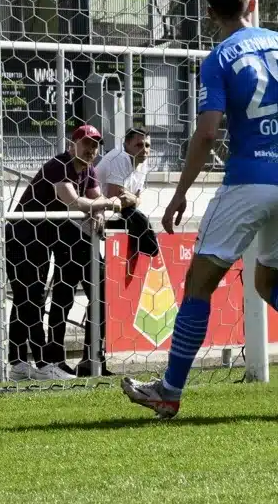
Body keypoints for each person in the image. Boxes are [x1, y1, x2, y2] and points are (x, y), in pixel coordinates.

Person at [122, 0, 278, 419]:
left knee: (198, 286)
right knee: (270, 281)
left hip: (249, 182)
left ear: (210, 13)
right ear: (252, 3)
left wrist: (179, 193)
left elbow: (207, 133)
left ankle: (169, 390)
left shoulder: (219, 58)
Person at [9, 124, 121, 381]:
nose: (92, 149)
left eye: (95, 145)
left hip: (43, 239)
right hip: (22, 234)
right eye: (86, 144)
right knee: (30, 296)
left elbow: (93, 200)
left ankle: (17, 363)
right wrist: (111, 202)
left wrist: (100, 212)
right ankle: (44, 363)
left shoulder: (89, 170)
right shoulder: (59, 165)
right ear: (73, 145)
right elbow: (75, 202)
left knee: (26, 297)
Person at [85, 127, 161, 375]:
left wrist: (130, 199)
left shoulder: (142, 164)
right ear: (126, 145)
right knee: (96, 297)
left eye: (147, 145)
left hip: (108, 229)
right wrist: (129, 199)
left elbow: (134, 199)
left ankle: (95, 359)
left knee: (102, 297)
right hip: (89, 228)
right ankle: (89, 361)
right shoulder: (119, 159)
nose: (145, 150)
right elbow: (114, 197)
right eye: (139, 145)